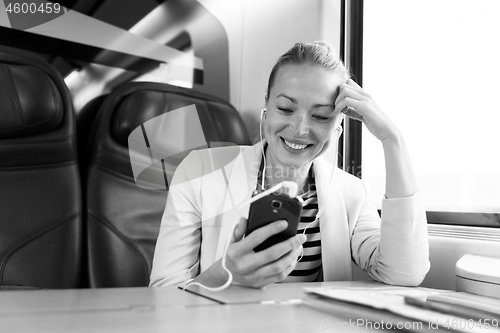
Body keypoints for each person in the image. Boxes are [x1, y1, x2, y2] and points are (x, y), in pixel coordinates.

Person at [149, 41, 430, 288]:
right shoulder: (199, 171)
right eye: (285, 109)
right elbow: (164, 293)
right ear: (267, 109)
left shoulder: (353, 193)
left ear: (338, 127)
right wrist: (227, 275)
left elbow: (404, 273)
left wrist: (392, 139)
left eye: (320, 116)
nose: (299, 128)